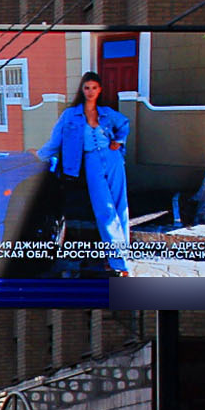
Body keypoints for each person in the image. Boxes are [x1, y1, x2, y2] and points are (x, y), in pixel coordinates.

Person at [36, 70, 132, 275]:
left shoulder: (106, 112)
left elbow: (124, 124)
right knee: (105, 210)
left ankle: (117, 257)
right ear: (82, 89)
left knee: (120, 208)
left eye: (94, 88)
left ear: (100, 90)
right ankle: (120, 263)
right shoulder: (70, 115)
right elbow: (56, 141)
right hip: (91, 161)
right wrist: (40, 155)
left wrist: (119, 141)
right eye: (87, 87)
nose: (90, 91)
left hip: (113, 159)